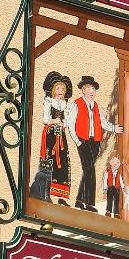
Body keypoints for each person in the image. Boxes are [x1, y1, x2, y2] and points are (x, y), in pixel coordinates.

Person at [66, 75, 123, 212]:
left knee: (87, 171)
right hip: (83, 141)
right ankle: (90, 204)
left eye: (93, 89)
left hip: (95, 142)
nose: (92, 91)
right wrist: (78, 141)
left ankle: (80, 201)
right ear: (84, 90)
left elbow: (102, 122)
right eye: (89, 88)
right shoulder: (77, 104)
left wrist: (114, 128)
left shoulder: (96, 106)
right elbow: (70, 123)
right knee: (90, 170)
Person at [40, 71, 73, 204]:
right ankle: (46, 193)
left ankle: (61, 196)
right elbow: (45, 119)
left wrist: (63, 123)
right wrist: (55, 121)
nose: (61, 91)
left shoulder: (65, 104)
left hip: (61, 136)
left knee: (63, 162)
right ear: (53, 90)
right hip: (51, 135)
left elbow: (68, 121)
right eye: (58, 88)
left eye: (63, 89)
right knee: (50, 160)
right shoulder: (49, 101)